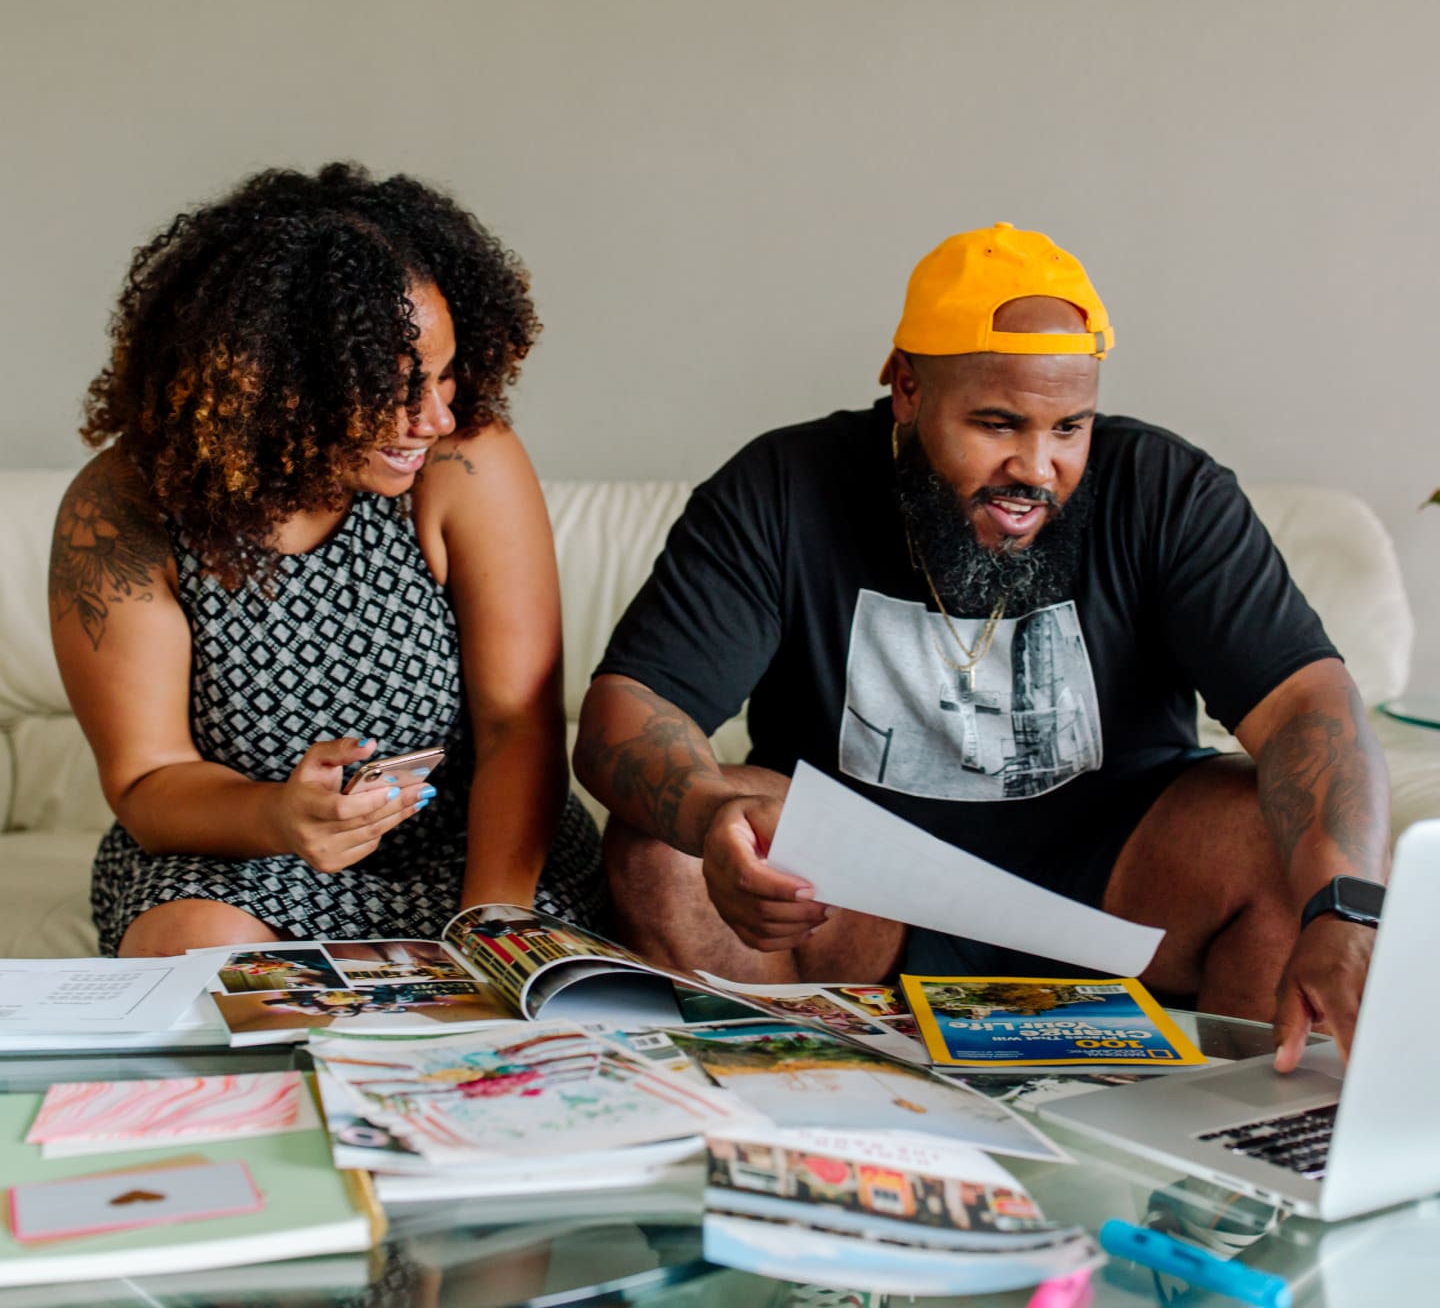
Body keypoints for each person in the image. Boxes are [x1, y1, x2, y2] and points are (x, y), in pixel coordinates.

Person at [575, 222, 1391, 1072]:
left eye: (1069, 428)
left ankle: (1236, 1146)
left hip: (1122, 893)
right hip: (854, 907)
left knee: (1285, 838)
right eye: (998, 423)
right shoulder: (781, 487)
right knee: (661, 846)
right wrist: (708, 817)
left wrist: (1346, 911)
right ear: (907, 387)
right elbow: (632, 707)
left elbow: (1309, 707)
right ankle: (784, 1111)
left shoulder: (1168, 490)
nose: (1037, 469)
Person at [50, 162, 604, 956]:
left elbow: (518, 727)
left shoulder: (463, 465)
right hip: (240, 856)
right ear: (276, 381)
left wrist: (488, 928)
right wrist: (280, 816)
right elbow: (147, 778)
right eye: (397, 387)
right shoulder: (123, 510)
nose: (434, 416)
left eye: (446, 377)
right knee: (198, 953)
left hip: (474, 851)